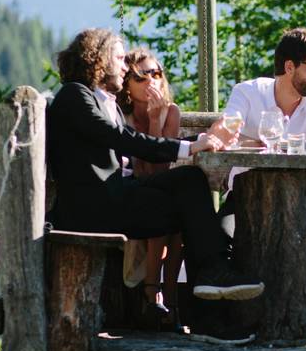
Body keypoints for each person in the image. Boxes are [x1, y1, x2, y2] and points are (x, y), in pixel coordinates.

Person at [46, 28, 263, 303]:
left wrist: (205, 140)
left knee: (191, 182)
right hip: (93, 209)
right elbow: (121, 138)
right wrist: (187, 147)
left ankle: (213, 276)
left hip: (114, 196)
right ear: (98, 59)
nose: (125, 68)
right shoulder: (74, 96)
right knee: (192, 207)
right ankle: (211, 290)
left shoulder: (100, 101)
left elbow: (131, 141)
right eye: (121, 59)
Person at [116, 48, 184, 326]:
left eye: (156, 74)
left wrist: (157, 120)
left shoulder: (171, 112)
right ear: (127, 84)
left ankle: (161, 297)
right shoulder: (122, 115)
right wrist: (153, 122)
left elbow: (160, 170)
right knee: (163, 206)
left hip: (156, 188)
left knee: (173, 213)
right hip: (128, 189)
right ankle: (159, 295)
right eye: (142, 76)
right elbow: (144, 173)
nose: (151, 81)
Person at [223, 27, 306, 147]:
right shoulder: (247, 92)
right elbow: (225, 131)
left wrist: (260, 144)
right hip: (250, 166)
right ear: (289, 67)